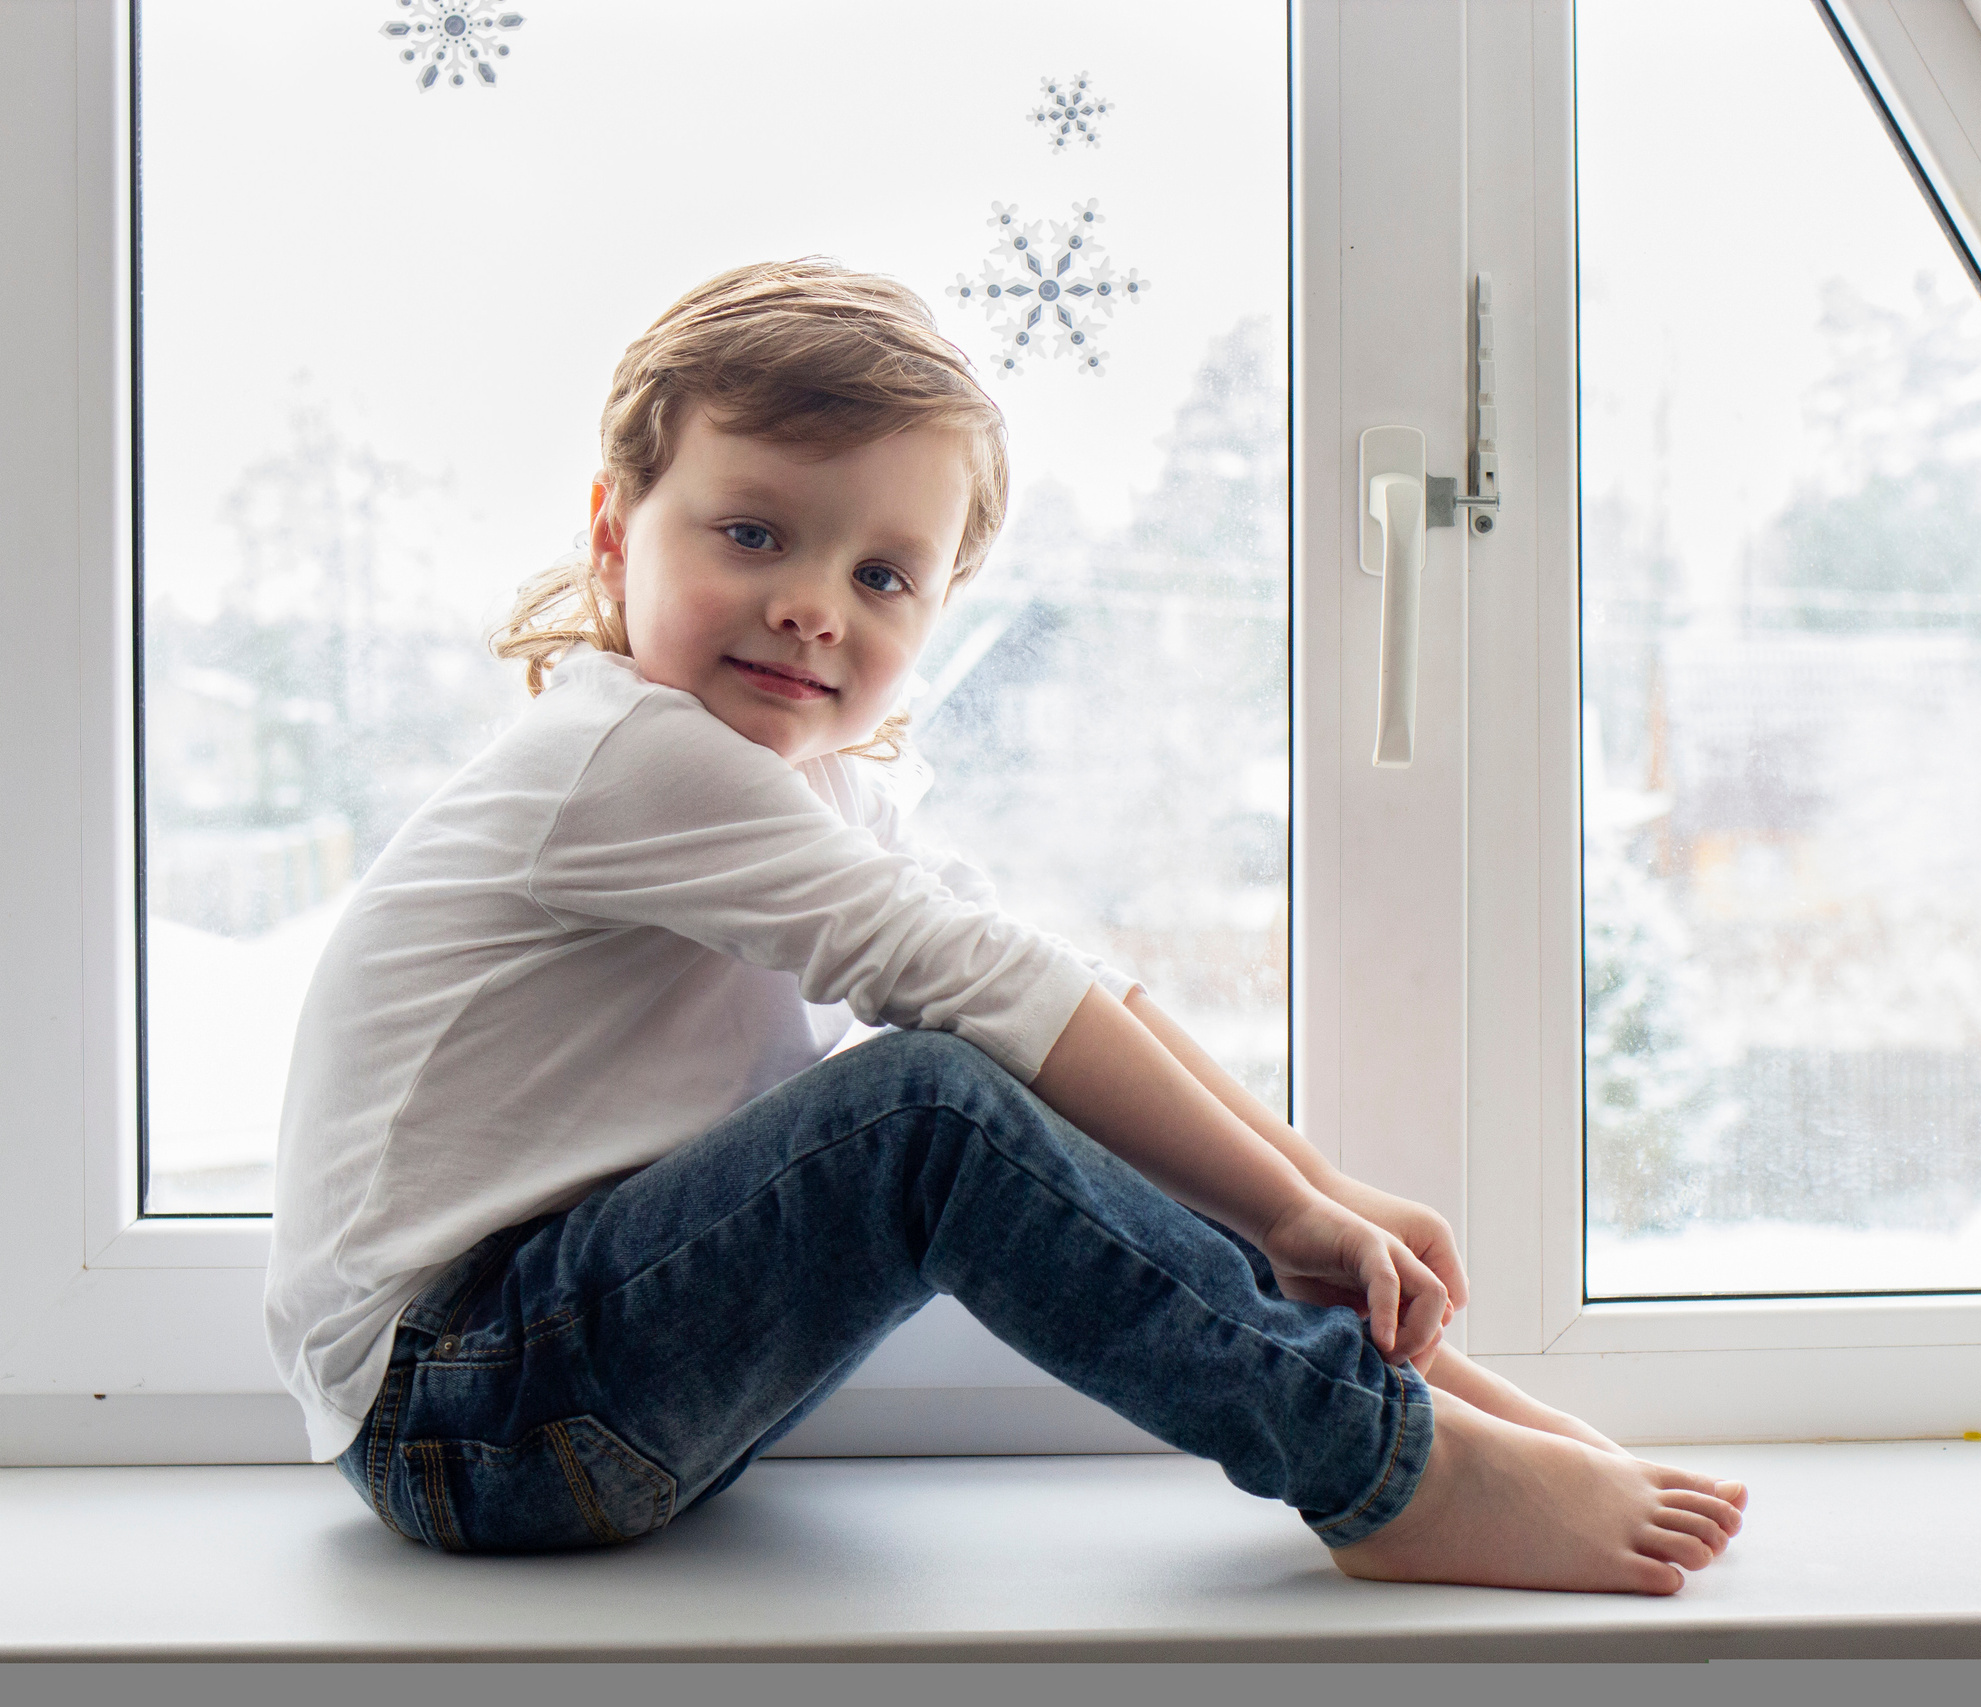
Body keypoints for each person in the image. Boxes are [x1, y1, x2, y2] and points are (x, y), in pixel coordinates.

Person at [263, 258, 1747, 1593]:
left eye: (882, 574)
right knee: (931, 1108)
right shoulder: (627, 758)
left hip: (552, 1386)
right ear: (612, 532)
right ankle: (1391, 1473)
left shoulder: (816, 787)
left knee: (1035, 1064)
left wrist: (1316, 1194)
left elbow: (1051, 981)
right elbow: (988, 995)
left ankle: (1441, 1422)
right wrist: (1290, 1210)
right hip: (463, 1409)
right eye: (755, 533)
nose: (811, 607)